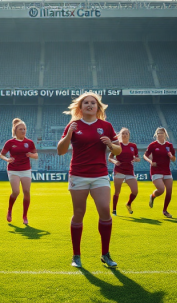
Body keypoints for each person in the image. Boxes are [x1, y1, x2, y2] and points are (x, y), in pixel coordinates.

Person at [57, 92, 121, 269]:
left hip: (99, 174)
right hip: (78, 175)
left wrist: (110, 144)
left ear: (98, 107)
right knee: (79, 213)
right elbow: (60, 151)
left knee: (105, 210)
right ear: (80, 107)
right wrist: (69, 134)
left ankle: (105, 254)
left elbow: (118, 151)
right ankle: (76, 255)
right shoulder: (73, 125)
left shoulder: (106, 126)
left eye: (93, 103)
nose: (90, 105)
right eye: (86, 102)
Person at [0, 118, 38, 225]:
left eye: (24, 129)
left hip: (26, 169)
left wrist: (31, 155)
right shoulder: (10, 142)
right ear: (15, 130)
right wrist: (7, 159)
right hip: (13, 169)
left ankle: (25, 216)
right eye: (21, 129)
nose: (23, 131)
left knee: (27, 192)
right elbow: (1, 154)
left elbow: (36, 155)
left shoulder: (29, 142)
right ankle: (10, 210)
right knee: (16, 192)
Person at [142, 127, 176, 218]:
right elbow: (145, 156)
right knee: (161, 189)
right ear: (156, 135)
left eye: (162, 133)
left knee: (169, 191)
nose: (160, 135)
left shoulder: (169, 145)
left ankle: (165, 211)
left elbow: (173, 159)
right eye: (158, 134)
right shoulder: (153, 145)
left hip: (167, 171)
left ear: (165, 135)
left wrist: (171, 156)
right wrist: (150, 162)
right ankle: (153, 196)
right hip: (156, 170)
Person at [109, 128, 139, 216]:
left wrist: (137, 159)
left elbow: (137, 157)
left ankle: (129, 204)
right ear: (121, 135)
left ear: (129, 135)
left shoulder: (133, 146)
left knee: (135, 191)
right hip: (119, 171)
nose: (125, 135)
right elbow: (110, 157)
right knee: (117, 191)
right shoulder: (118, 145)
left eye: (126, 133)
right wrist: (115, 162)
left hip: (129, 171)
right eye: (123, 134)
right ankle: (114, 210)